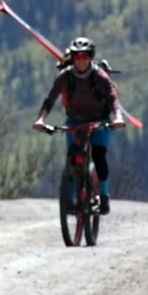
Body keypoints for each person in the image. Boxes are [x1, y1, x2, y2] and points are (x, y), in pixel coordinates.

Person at [32, 37, 125, 215]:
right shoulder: (65, 76)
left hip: (99, 120)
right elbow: (50, 98)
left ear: (90, 57)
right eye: (77, 57)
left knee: (98, 157)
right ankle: (69, 201)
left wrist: (118, 117)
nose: (81, 61)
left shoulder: (99, 76)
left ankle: (104, 195)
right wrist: (41, 119)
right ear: (73, 59)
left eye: (84, 57)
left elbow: (113, 97)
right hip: (75, 120)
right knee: (72, 158)